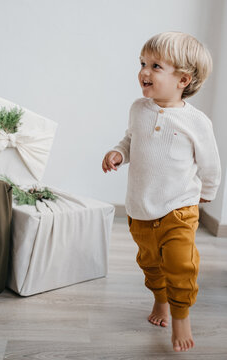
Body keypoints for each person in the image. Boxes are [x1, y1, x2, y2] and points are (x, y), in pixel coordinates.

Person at [102, 31, 221, 352]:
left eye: (156, 66)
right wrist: (118, 153)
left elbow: (210, 165)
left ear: (183, 79)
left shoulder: (196, 122)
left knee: (180, 264)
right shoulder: (139, 109)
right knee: (150, 263)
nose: (144, 71)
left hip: (179, 208)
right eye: (143, 63)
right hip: (140, 208)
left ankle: (181, 316)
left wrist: (206, 193)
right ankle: (161, 301)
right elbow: (130, 139)